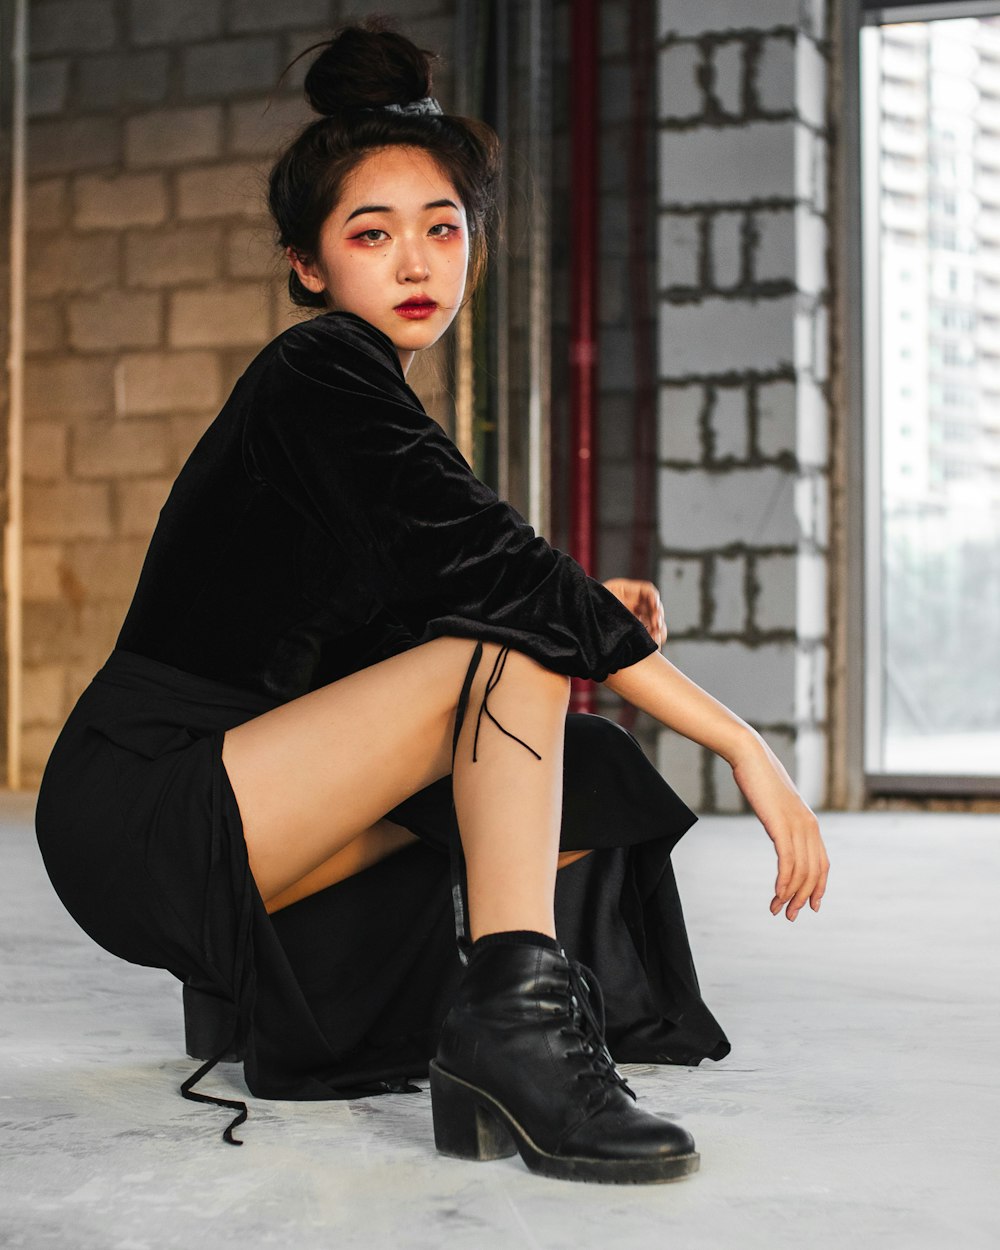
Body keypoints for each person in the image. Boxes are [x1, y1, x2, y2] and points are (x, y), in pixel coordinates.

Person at [34, 19, 829, 1185]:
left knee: (564, 783)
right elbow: (496, 583)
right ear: (309, 265)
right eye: (372, 234)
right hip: (146, 801)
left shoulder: (371, 413)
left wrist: (578, 612)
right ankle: (511, 1036)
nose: (416, 262)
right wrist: (735, 736)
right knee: (505, 653)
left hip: (245, 787)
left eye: (443, 228)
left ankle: (447, 1022)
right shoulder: (319, 370)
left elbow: (400, 620)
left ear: (475, 244)